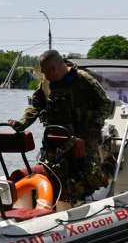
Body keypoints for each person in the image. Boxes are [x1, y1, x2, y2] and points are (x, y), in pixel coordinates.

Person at [7, 50, 114, 203]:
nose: (45, 76)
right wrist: (22, 123)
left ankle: (108, 168)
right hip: (57, 136)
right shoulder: (46, 83)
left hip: (84, 134)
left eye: (45, 72)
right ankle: (66, 200)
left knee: (90, 174)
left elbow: (106, 104)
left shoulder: (82, 79)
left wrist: (92, 127)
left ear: (54, 69)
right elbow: (36, 105)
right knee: (56, 170)